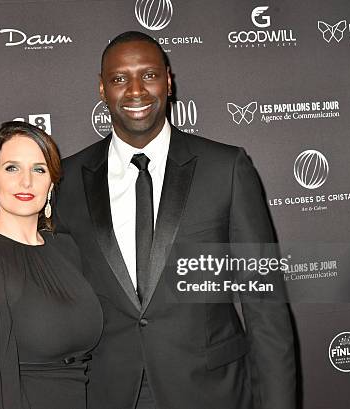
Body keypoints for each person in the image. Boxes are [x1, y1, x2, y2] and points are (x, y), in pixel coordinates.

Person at [55, 32, 296, 409]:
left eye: (148, 75)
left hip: (212, 391)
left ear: (169, 80)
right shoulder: (67, 179)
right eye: (119, 79)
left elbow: (264, 304)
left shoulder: (226, 169)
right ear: (102, 89)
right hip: (108, 393)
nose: (136, 90)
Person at [0, 121, 102, 409]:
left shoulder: (66, 249)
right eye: (12, 168)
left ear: (51, 183)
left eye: (39, 169)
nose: (26, 182)